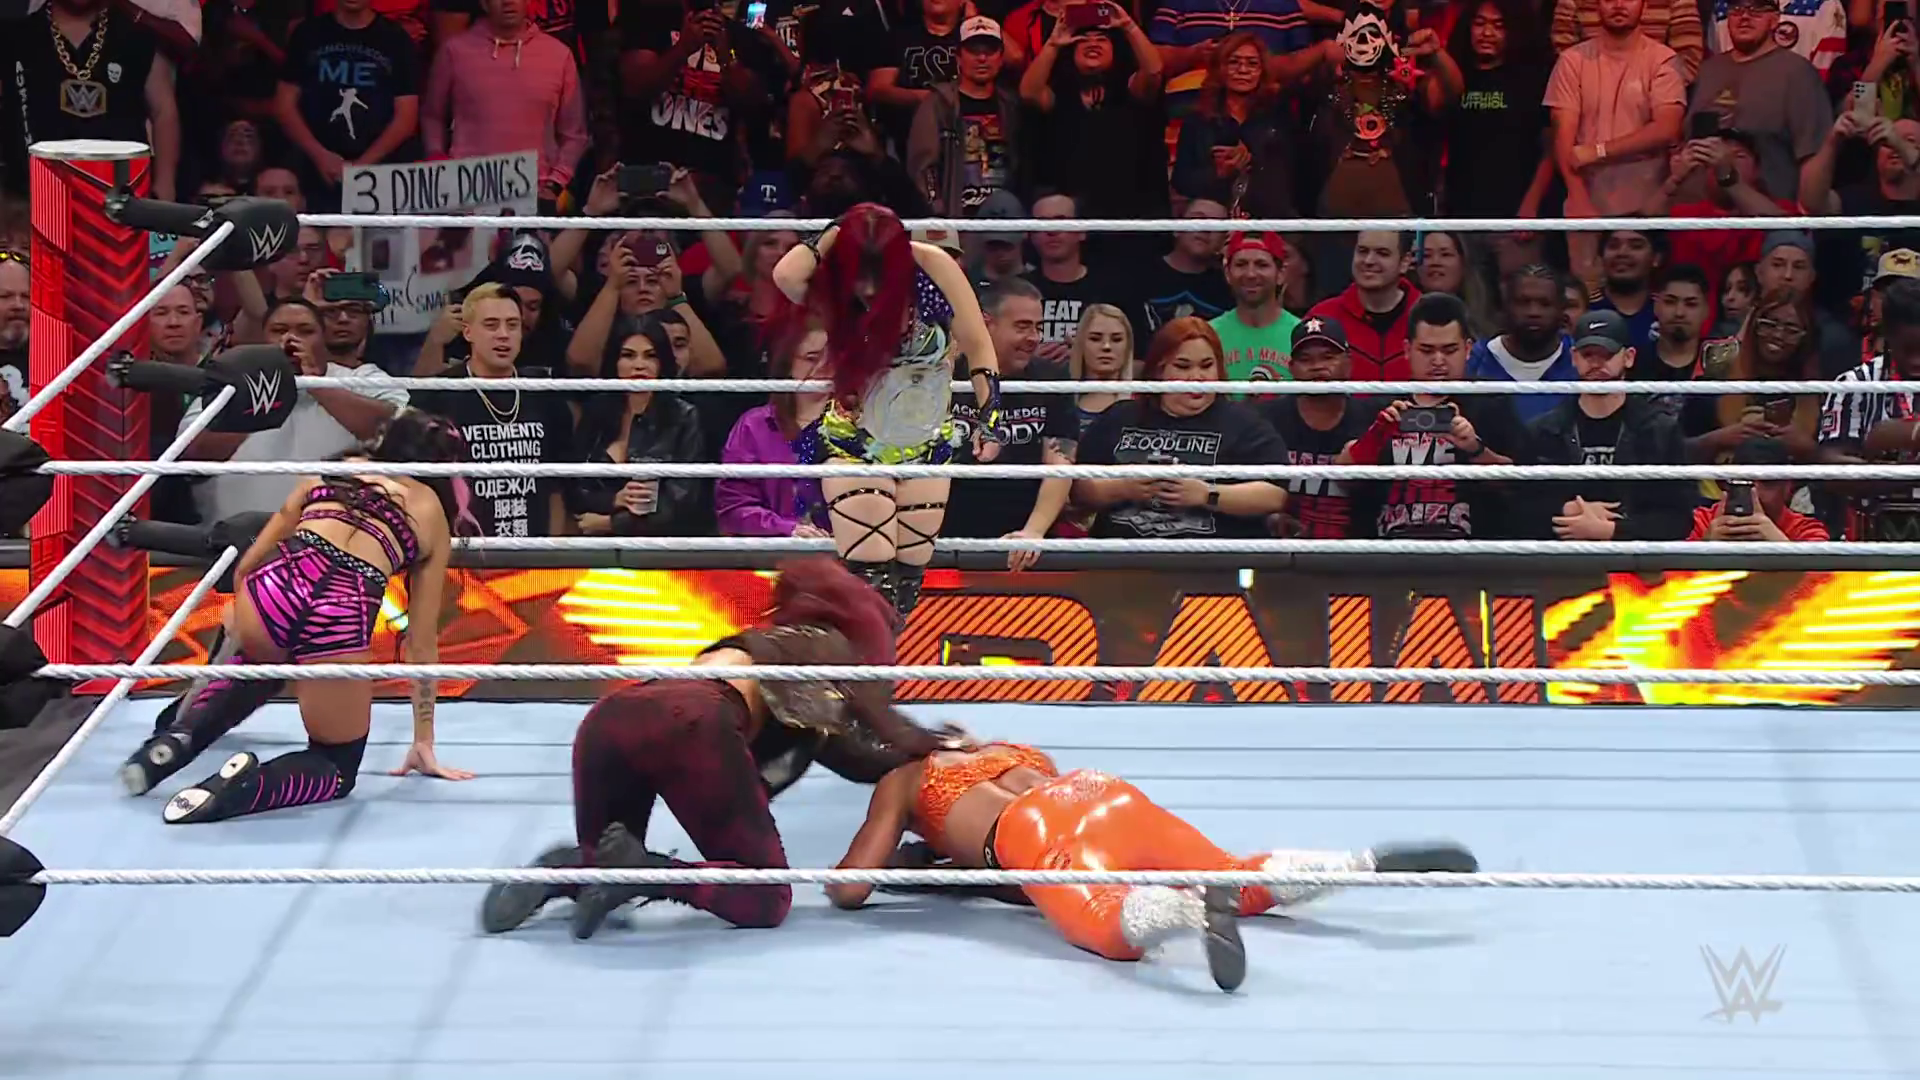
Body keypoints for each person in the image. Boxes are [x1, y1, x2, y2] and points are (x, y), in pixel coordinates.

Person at [478, 557, 958, 940]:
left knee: (602, 862)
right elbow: (878, 727)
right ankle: (649, 871)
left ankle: (568, 867)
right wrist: (939, 746)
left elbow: (847, 754)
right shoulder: (828, 647)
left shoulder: (761, 651)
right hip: (690, 721)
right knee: (766, 898)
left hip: (611, 718)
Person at [826, 741, 1477, 992]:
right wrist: (941, 862)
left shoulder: (904, 780)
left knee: (1107, 927)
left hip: (1032, 830)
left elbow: (851, 889)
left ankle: (1192, 910)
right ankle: (1358, 863)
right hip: (1102, 792)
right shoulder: (1006, 749)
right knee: (1235, 874)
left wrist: (891, 857)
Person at [119, 410, 478, 824]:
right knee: (336, 763)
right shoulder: (430, 511)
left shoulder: (335, 470)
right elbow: (420, 640)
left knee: (264, 663)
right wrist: (423, 739)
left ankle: (175, 741)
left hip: (274, 587)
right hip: (339, 612)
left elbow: (247, 565)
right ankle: (240, 790)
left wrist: (241, 617)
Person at [772, 203, 1006, 619]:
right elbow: (785, 275)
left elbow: (977, 344)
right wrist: (839, 230)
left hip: (925, 441)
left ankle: (878, 662)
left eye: (875, 274)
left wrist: (990, 416)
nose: (867, 287)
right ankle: (858, 659)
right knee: (870, 585)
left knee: (905, 589)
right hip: (856, 442)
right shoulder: (833, 285)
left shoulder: (931, 268)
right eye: (858, 273)